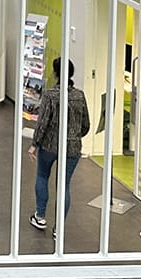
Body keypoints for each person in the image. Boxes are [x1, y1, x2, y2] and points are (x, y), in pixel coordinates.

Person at [30, 58, 90, 232]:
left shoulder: (50, 95)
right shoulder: (79, 95)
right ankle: (59, 229)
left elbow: (42, 123)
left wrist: (35, 144)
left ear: (56, 73)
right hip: (72, 148)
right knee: (64, 185)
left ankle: (40, 216)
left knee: (42, 176)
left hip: (49, 145)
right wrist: (75, 136)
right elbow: (86, 124)